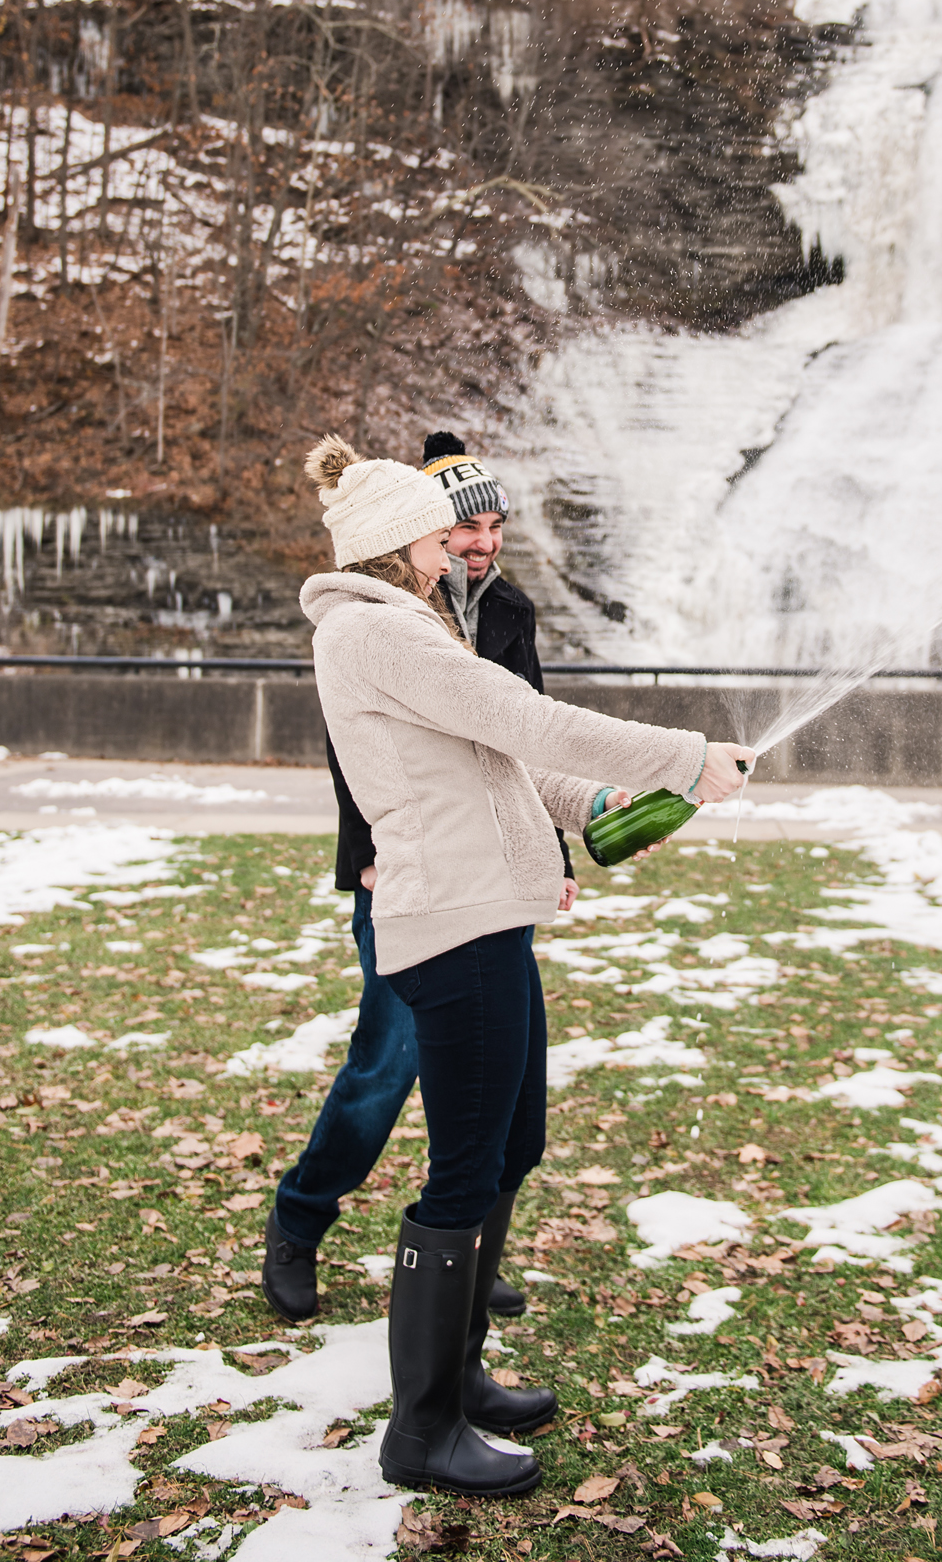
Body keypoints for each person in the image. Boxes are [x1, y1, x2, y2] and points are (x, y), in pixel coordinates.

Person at [299, 432, 752, 1498]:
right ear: (392, 540)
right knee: (462, 1165)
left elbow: (497, 754)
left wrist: (588, 804)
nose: (447, 535)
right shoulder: (378, 633)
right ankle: (422, 1428)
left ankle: (461, 1375)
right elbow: (520, 714)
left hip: (490, 912)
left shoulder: (411, 624)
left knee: (513, 1140)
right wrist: (684, 755)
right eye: (429, 523)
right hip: (450, 920)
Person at [263, 435, 562, 1323]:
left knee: (505, 1082)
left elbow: (524, 740)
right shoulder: (379, 610)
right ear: (423, 533)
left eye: (494, 524)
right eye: (464, 525)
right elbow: (355, 748)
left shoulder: (506, 610)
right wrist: (371, 852)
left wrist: (552, 851)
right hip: (402, 872)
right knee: (388, 1065)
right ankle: (299, 1219)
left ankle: (466, 1262)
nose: (481, 542)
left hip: (489, 871)